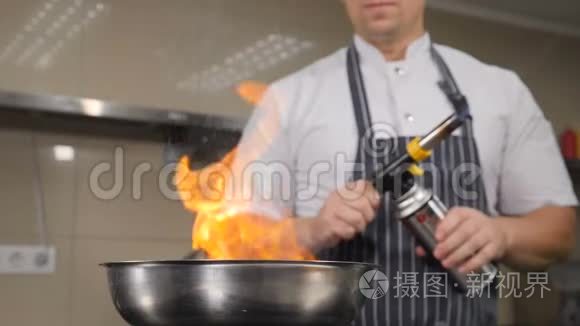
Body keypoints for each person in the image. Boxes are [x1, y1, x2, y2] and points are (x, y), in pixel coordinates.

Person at [227, 0, 578, 325]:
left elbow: (559, 230)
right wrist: (311, 230)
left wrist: (502, 235)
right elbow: (230, 240)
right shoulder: (288, 99)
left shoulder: (500, 90)